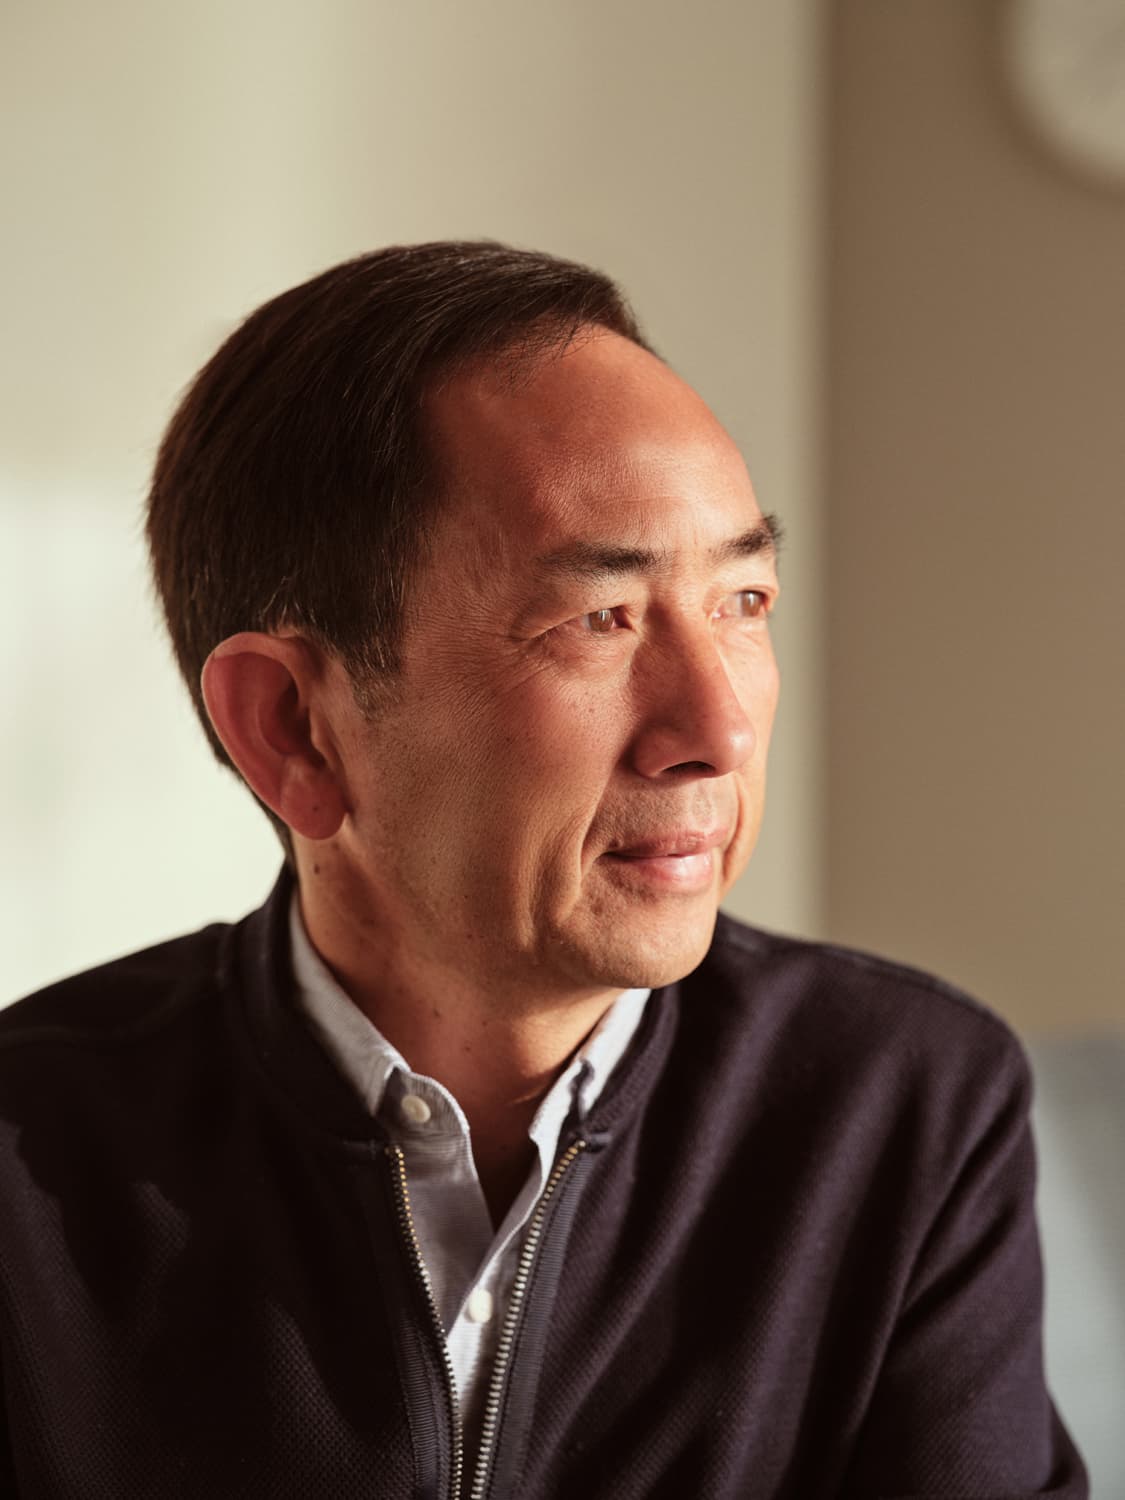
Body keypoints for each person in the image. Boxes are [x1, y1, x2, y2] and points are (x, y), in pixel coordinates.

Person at [0, 241, 1085, 1499]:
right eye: (598, 621)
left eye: (744, 599)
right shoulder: (30, 1163)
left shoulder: (903, 1106)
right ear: (293, 728)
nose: (720, 731)